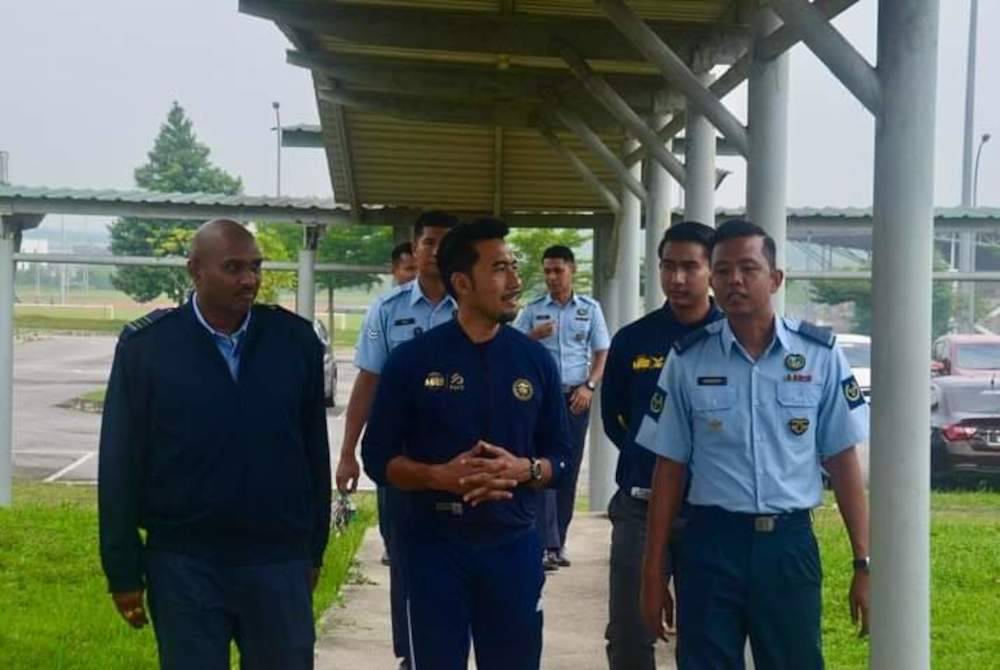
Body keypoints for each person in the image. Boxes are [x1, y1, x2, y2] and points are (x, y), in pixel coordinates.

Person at [98, 219, 331, 670]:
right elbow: (120, 464)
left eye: (255, 267)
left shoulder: (294, 342)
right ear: (195, 270)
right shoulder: (147, 349)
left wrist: (313, 548)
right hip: (184, 563)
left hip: (276, 560)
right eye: (233, 268)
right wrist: (123, 569)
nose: (249, 280)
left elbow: (313, 455)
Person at [638, 219, 871, 669]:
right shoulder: (687, 360)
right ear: (712, 280)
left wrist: (864, 562)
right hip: (711, 544)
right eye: (723, 271)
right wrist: (654, 570)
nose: (735, 281)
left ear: (776, 279)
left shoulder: (820, 355)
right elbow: (669, 469)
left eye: (748, 269)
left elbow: (843, 462)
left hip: (787, 546)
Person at [361, 218, 572, 670]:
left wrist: (525, 469)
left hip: (513, 546)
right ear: (462, 282)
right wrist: (438, 476)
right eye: (499, 268)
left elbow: (562, 458)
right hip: (432, 548)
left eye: (513, 266)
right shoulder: (412, 361)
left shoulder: (535, 361)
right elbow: (377, 458)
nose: (515, 281)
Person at [334, 210, 458, 670]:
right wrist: (348, 453)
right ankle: (411, 654)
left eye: (446, 243)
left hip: (463, 458)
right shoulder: (386, 311)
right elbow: (367, 382)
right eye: (429, 242)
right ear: (414, 248)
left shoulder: (475, 306)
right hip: (402, 460)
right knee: (405, 558)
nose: (437, 252)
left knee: (462, 558)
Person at [601, 222, 723, 670]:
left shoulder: (730, 337)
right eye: (668, 267)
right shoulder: (633, 339)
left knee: (708, 635)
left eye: (690, 267)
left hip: (711, 511)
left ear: (712, 271)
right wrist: (648, 456)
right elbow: (615, 417)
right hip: (640, 505)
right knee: (631, 632)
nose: (677, 278)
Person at [514, 245, 609, 570]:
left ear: (572, 270)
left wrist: (589, 386)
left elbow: (602, 352)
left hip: (575, 399)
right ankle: (543, 543)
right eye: (547, 271)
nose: (552, 277)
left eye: (558, 270)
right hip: (540, 400)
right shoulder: (534, 309)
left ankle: (558, 543)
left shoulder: (590, 309)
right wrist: (533, 335)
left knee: (567, 469)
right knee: (542, 468)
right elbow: (509, 345)